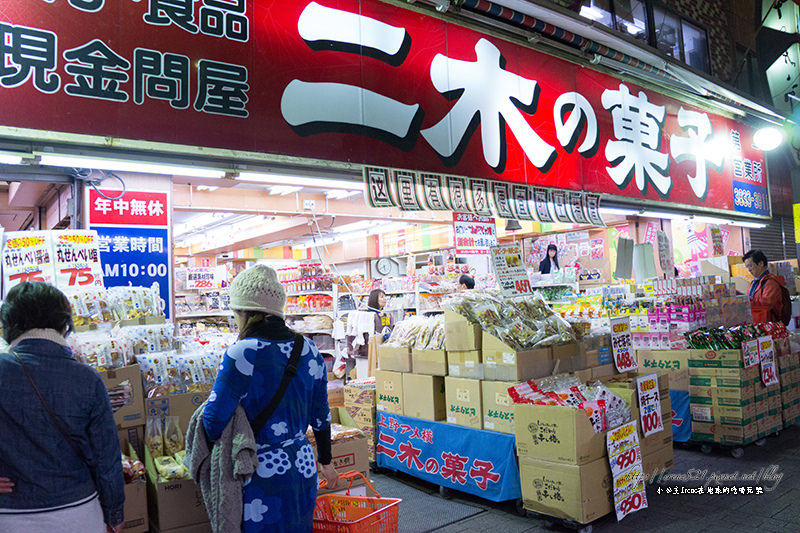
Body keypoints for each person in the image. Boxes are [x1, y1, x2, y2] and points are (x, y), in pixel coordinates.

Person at [202, 264, 338, 533]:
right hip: (302, 463)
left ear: (244, 312)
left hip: (260, 470)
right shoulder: (308, 348)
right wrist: (326, 461)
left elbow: (213, 420)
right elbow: (321, 414)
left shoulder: (242, 353)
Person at [0, 282, 124, 533]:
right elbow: (106, 458)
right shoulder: (87, 378)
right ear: (64, 323)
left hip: (10, 513)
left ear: (10, 322)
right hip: (78, 512)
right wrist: (114, 513)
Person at [743, 249, 790, 325]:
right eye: (746, 267)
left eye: (750, 266)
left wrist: (746, 302)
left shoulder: (771, 283)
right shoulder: (754, 282)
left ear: (761, 263)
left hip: (769, 326)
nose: (749, 269)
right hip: (758, 325)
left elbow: (765, 305)